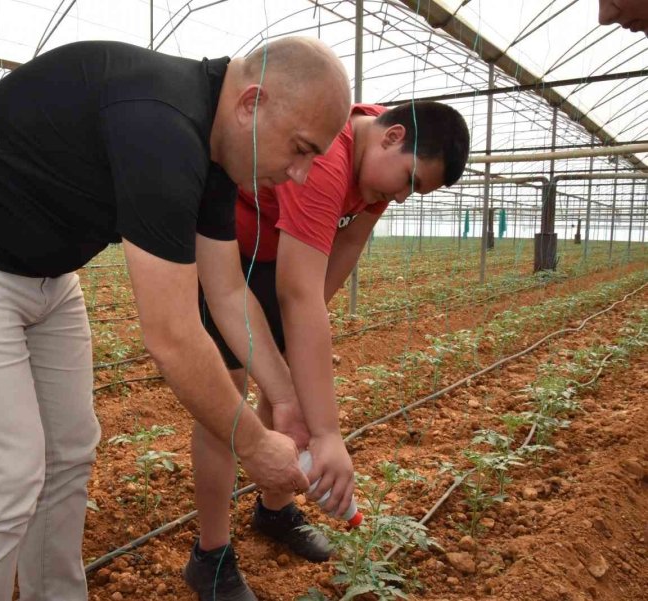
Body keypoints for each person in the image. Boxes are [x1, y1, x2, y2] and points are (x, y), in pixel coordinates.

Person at [0, 37, 350, 600]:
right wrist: (253, 446)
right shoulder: (161, 125)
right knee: (5, 472)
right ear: (251, 102)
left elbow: (227, 291)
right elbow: (174, 336)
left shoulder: (216, 147)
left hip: (46, 275)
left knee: (69, 451)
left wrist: (286, 399)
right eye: (300, 149)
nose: (301, 174)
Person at [189, 101, 470, 600]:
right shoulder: (328, 162)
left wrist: (296, 352)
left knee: (287, 387)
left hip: (280, 257)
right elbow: (299, 295)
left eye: (416, 191)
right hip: (229, 252)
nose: (403, 197)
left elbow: (328, 272)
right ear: (391, 136)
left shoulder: (376, 178)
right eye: (409, 180)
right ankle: (210, 556)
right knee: (225, 401)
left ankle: (274, 510)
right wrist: (326, 434)